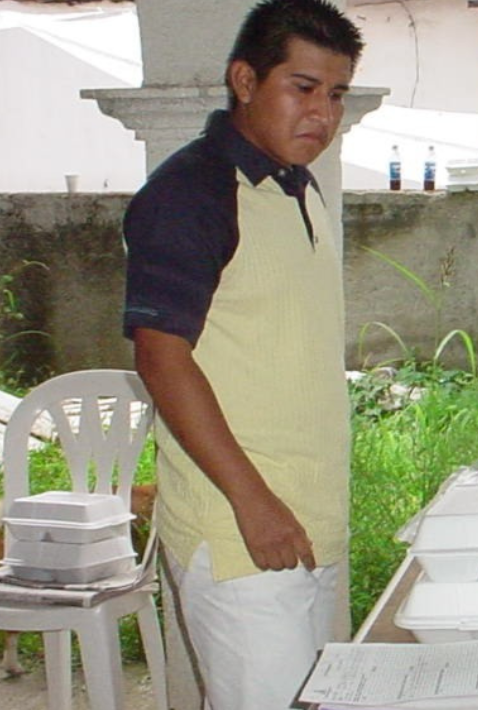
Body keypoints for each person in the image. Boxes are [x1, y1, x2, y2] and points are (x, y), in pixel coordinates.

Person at [121, 2, 362, 708]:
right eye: (304, 86)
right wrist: (253, 503)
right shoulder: (190, 194)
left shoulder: (295, 187)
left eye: (337, 92)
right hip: (241, 533)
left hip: (309, 519)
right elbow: (162, 359)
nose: (323, 111)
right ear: (245, 80)